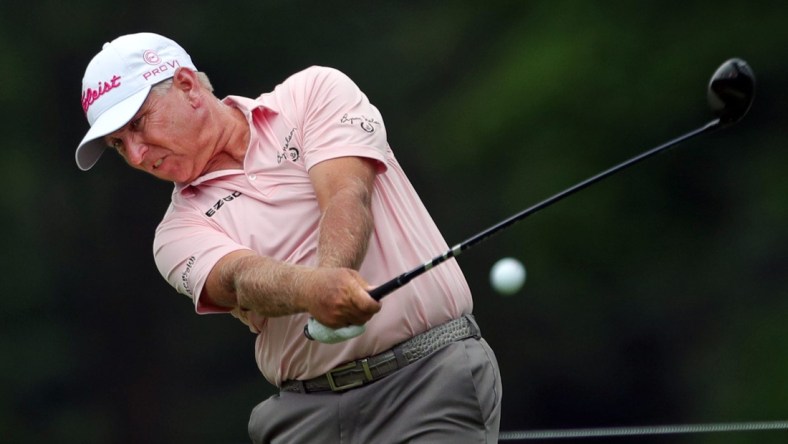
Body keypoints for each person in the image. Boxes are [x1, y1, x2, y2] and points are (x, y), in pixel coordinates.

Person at [76, 32, 502, 443]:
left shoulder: (311, 93)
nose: (136, 155)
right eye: (118, 145)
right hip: (306, 414)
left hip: (428, 375)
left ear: (187, 86)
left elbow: (346, 193)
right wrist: (315, 290)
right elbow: (240, 279)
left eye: (139, 124)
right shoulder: (174, 232)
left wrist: (333, 278)